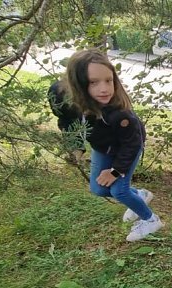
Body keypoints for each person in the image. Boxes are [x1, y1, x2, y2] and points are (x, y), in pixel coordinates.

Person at [64, 49, 162, 242]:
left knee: (119, 190)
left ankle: (151, 220)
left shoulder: (120, 114)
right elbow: (67, 121)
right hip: (103, 148)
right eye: (94, 82)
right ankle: (140, 195)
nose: (104, 89)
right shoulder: (79, 104)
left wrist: (115, 172)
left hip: (127, 148)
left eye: (108, 81)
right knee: (99, 189)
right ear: (79, 84)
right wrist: (77, 146)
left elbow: (131, 145)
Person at [47, 79, 86, 163]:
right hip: (67, 97)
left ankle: (74, 151)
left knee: (66, 120)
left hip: (57, 93)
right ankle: (76, 153)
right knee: (75, 122)